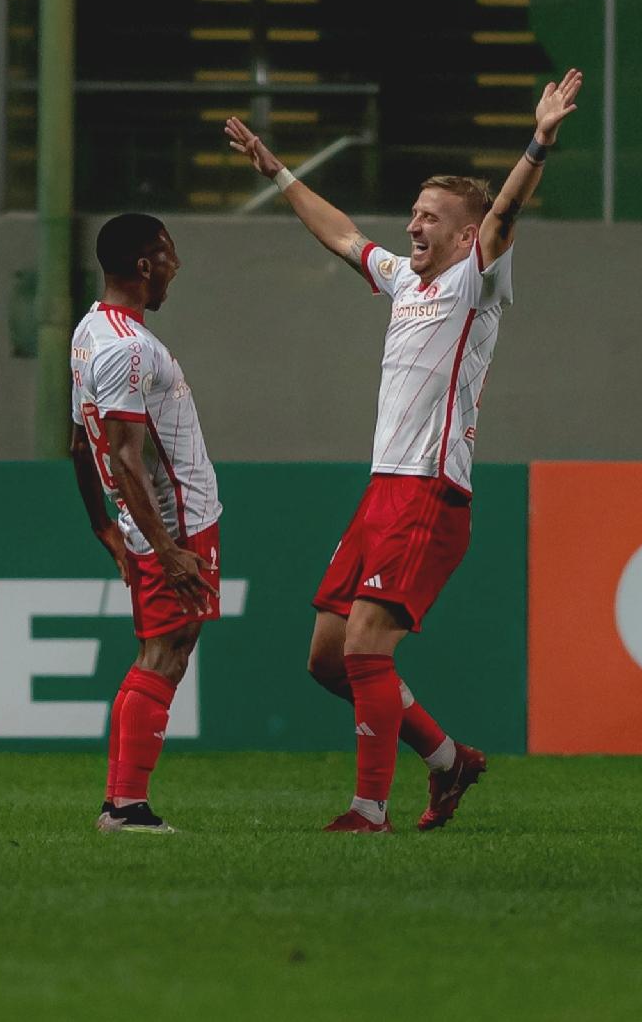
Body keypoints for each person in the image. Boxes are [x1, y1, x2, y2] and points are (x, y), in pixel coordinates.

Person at [224, 68, 584, 834]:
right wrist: (280, 171)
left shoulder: (473, 284)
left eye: (430, 218)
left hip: (428, 494)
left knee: (364, 649)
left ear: (463, 236)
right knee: (327, 659)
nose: (414, 227)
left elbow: (507, 211)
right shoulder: (407, 283)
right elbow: (342, 233)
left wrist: (539, 141)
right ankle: (450, 760)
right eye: (414, 214)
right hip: (381, 491)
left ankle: (368, 809)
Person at [68, 213, 221, 835]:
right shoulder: (128, 349)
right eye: (168, 254)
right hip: (174, 520)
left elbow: (82, 444)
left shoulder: (90, 333)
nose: (174, 266)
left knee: (172, 646)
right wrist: (167, 548)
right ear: (142, 265)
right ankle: (126, 808)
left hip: (159, 520)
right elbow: (123, 453)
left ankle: (120, 803)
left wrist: (104, 527)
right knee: (164, 650)